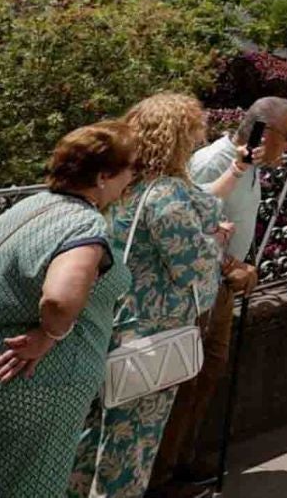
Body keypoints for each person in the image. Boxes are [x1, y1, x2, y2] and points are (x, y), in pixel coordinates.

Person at [71, 94, 227, 498]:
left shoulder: (120, 188)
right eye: (194, 131)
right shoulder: (166, 193)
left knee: (91, 437)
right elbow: (192, 268)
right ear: (178, 138)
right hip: (148, 337)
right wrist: (216, 241)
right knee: (132, 440)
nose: (199, 138)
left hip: (104, 323)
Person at [0, 122, 137, 498]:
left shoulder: (30, 207)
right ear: (103, 176)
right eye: (130, 168)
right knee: (28, 487)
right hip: (38, 386)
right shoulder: (83, 224)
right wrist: (49, 335)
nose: (132, 178)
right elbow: (58, 299)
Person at [152, 97, 287, 493]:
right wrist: (232, 267)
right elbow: (191, 230)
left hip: (221, 288)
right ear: (264, 132)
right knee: (188, 379)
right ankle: (162, 473)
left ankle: (181, 461)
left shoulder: (246, 163)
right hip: (199, 289)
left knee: (206, 375)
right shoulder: (213, 163)